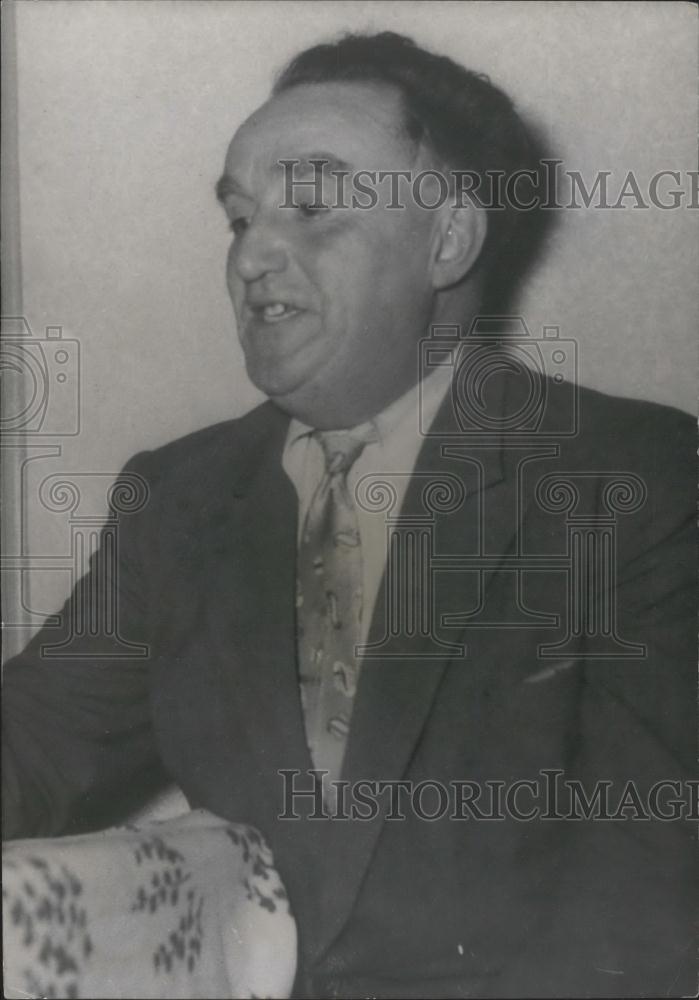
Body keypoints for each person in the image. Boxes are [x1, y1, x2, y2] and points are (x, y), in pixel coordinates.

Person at [3, 32, 695, 998]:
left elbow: (643, 897)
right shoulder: (176, 498)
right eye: (240, 218)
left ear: (448, 240)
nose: (254, 254)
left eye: (313, 207)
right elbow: (31, 740)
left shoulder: (634, 478)